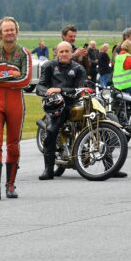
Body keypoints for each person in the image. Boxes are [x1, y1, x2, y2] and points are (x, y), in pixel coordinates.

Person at [0, 16, 32, 200]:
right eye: (6, 30)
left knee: (13, 145)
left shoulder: (24, 53)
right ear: (0, 33)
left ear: (16, 32)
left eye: (12, 30)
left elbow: (26, 80)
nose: (9, 33)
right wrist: (9, 74)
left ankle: (10, 186)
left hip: (15, 104)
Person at [36, 41, 86, 180]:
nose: (64, 54)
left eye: (67, 51)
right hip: (56, 105)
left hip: (73, 104)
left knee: (98, 120)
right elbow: (39, 87)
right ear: (57, 53)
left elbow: (79, 90)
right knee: (51, 131)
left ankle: (110, 166)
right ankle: (48, 170)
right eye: (61, 51)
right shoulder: (48, 66)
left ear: (71, 53)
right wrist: (48, 93)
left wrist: (60, 90)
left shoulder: (79, 69)